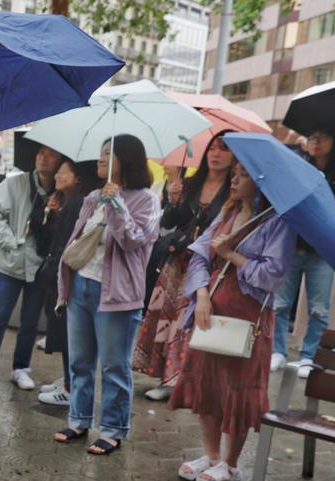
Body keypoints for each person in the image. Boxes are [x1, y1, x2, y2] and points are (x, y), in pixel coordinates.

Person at [169, 163, 295, 481]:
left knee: (238, 389)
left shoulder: (276, 222)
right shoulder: (226, 214)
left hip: (249, 316)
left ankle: (231, 464)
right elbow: (199, 257)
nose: (235, 179)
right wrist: (202, 296)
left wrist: (231, 255)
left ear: (262, 181)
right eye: (235, 172)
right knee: (206, 382)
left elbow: (272, 276)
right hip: (212, 308)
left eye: (245, 174)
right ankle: (211, 456)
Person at [53, 135, 159, 455]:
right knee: (80, 361)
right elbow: (80, 238)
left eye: (108, 154)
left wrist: (116, 205)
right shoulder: (93, 196)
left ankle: (113, 429)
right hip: (81, 286)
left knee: (114, 366)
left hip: (117, 294)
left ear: (127, 159)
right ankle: (79, 419)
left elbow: (132, 240)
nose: (100, 160)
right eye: (100, 153)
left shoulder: (146, 200)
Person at [134, 131, 235, 401]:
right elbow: (171, 221)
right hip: (177, 260)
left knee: (189, 321)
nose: (216, 153)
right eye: (212, 148)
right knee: (168, 318)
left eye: (224, 149)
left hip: (208, 264)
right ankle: (165, 377)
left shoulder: (233, 190)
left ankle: (184, 380)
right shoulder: (190, 183)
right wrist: (175, 199)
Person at [0, 143, 61, 391]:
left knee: (30, 321)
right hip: (10, 263)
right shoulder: (16, 183)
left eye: (50, 154)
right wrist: (13, 243)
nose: (42, 157)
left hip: (39, 266)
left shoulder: (61, 193)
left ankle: (21, 368)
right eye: (40, 152)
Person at [269, 127, 335, 376]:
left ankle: (308, 356)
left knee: (319, 309)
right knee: (280, 304)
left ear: (334, 141)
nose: (316, 141)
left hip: (321, 251)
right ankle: (277, 351)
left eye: (323, 136)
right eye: (312, 137)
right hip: (292, 245)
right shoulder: (298, 165)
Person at [36, 158, 98, 406]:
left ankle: (71, 388)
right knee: (63, 332)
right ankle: (68, 380)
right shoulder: (65, 202)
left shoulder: (79, 203)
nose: (58, 174)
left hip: (63, 275)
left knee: (66, 333)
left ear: (79, 177)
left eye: (65, 171)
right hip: (59, 273)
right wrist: (50, 214)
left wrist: (55, 271)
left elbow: (67, 244)